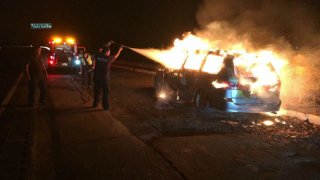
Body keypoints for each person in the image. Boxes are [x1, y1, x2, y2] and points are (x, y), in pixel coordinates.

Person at [93, 42, 123, 110]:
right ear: (106, 52)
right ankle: (106, 107)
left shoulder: (98, 56)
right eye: (109, 51)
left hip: (96, 78)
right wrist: (119, 50)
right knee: (105, 93)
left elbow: (99, 50)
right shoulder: (108, 59)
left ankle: (95, 104)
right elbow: (116, 56)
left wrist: (107, 44)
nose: (110, 52)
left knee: (97, 92)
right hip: (104, 79)